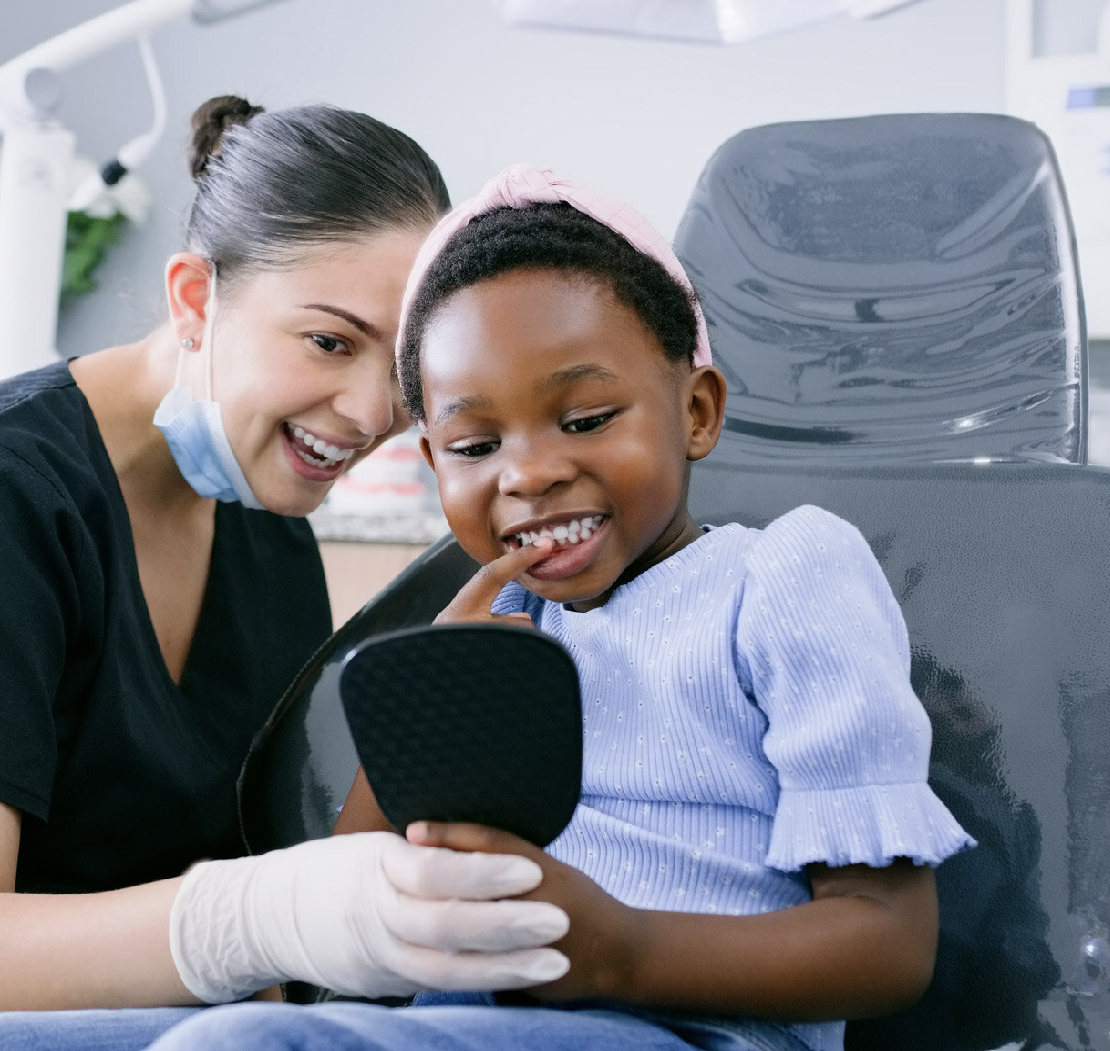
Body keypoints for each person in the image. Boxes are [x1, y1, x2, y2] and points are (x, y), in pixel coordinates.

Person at [0, 107, 576, 1051]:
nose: (368, 413)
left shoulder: (265, 539)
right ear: (193, 299)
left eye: (397, 370)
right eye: (327, 342)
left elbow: (233, 891)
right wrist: (262, 919)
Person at [81, 165, 978, 1050]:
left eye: (585, 419)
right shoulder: (495, 619)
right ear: (435, 467)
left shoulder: (779, 576)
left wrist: (617, 952)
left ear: (696, 410)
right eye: (475, 443)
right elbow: (343, 926)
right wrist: (432, 702)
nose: (528, 473)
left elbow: (888, 943)